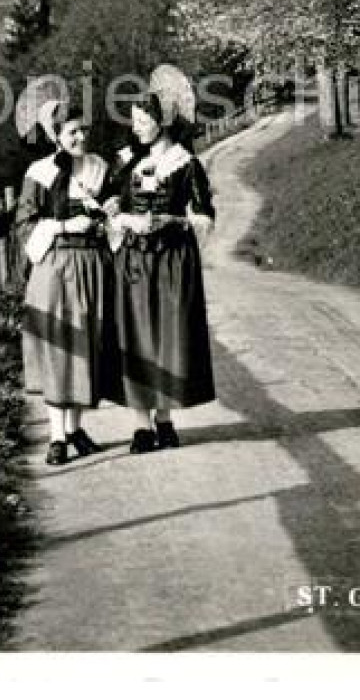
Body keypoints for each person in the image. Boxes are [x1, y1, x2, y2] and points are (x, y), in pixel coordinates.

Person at [102, 93, 217, 452]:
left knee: (168, 334)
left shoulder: (185, 163)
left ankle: (164, 419)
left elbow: (205, 217)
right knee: (135, 336)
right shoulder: (124, 162)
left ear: (161, 121)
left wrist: (173, 220)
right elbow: (108, 203)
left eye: (142, 121)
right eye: (133, 122)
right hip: (134, 258)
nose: (136, 129)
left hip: (172, 259)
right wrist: (124, 218)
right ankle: (140, 425)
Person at [16, 100, 113, 466]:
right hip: (55, 266)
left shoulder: (99, 168)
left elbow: (114, 212)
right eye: (72, 132)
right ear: (56, 137)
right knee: (59, 346)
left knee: (87, 345)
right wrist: (62, 226)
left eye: (83, 129)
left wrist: (103, 220)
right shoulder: (39, 173)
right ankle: (57, 436)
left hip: (91, 265)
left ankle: (74, 428)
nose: (80, 136)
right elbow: (25, 225)